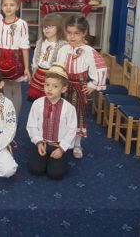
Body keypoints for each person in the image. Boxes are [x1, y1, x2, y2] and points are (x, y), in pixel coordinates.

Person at [57, 15, 107, 159]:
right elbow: (58, 66)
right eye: (69, 33)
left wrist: (93, 84)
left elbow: (100, 67)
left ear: (84, 33)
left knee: (77, 116)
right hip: (63, 87)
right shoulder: (63, 49)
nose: (72, 37)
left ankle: (77, 144)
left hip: (78, 88)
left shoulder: (89, 51)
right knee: (62, 114)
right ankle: (62, 141)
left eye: (76, 33)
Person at [26, 63, 77, 180]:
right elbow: (32, 125)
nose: (49, 89)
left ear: (63, 89)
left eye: (55, 86)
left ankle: (58, 157)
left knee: (55, 174)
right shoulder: (37, 104)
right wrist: (38, 142)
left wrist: (62, 149)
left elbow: (72, 130)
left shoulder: (69, 108)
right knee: (35, 170)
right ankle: (42, 156)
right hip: (42, 144)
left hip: (58, 146)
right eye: (47, 85)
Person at [0, 0, 31, 115]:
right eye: (5, 5)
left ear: (17, 7)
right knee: (5, 87)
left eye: (12, 5)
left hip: (15, 58)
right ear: (1, 7)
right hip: (1, 57)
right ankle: (8, 115)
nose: (8, 8)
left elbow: (25, 46)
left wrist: (26, 67)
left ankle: (15, 116)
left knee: (16, 88)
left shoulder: (22, 24)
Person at [28, 13, 67, 101]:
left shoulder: (62, 45)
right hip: (39, 74)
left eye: (50, 26)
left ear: (59, 27)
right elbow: (35, 59)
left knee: (51, 98)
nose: (46, 29)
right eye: (44, 27)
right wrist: (34, 73)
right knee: (38, 100)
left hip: (53, 75)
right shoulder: (40, 42)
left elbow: (61, 64)